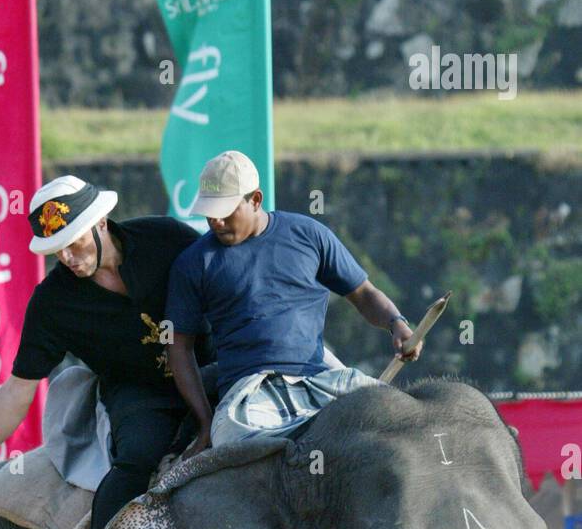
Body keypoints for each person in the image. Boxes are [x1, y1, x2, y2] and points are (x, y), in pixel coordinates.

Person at [0, 175, 216, 529]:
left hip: (212, 368)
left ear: (101, 223)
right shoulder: (53, 304)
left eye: (73, 243)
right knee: (134, 459)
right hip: (138, 392)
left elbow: (228, 282)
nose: (68, 257)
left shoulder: (167, 239)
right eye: (57, 250)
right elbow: (19, 387)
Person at [165, 149, 423, 447]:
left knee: (402, 421)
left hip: (321, 381)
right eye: (209, 211)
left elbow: (364, 294)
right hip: (249, 396)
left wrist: (397, 323)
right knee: (242, 446)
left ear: (256, 200)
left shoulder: (309, 235)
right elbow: (179, 348)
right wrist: (206, 422)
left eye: (225, 211)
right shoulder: (194, 263)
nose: (215, 221)